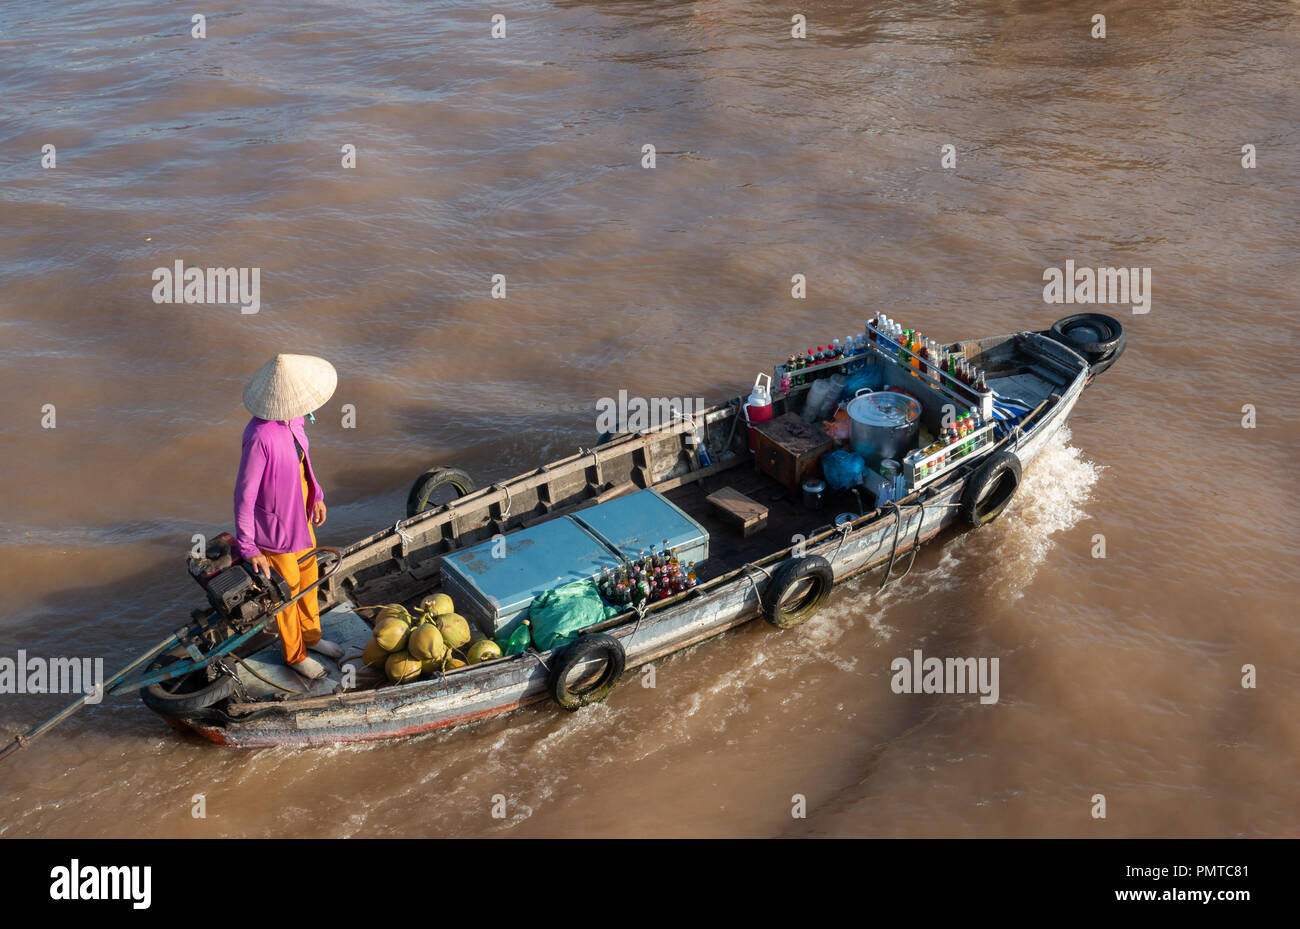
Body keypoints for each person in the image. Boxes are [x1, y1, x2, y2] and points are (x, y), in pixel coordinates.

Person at [233, 353, 342, 683]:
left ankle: (312, 637)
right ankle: (295, 654)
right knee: (287, 592)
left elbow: (303, 462)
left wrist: (318, 495)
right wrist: (248, 547)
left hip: (302, 518)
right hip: (275, 530)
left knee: (309, 579)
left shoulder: (294, 421)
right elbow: (244, 494)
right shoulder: (259, 436)